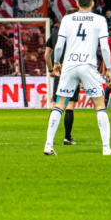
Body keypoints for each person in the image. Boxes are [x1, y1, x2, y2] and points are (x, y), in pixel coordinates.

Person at [46, 0, 111, 157]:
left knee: (59, 104)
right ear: (92, 3)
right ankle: (106, 148)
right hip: (88, 65)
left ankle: (48, 145)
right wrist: (108, 69)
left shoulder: (67, 19)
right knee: (100, 106)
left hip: (69, 66)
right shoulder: (100, 20)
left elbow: (59, 46)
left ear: (77, 3)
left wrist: (56, 63)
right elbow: (105, 47)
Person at [45, 10, 76, 144]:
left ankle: (50, 138)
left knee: (57, 105)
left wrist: (51, 70)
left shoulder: (55, 32)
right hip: (74, 72)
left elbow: (46, 55)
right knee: (69, 105)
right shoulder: (79, 32)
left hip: (59, 71)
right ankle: (67, 137)